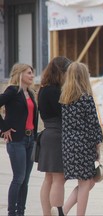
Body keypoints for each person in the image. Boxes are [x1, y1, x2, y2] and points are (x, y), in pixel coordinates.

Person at [59, 62, 103, 215]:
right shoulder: (86, 98)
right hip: (84, 145)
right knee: (86, 183)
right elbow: (93, 125)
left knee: (88, 182)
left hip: (68, 144)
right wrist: (97, 146)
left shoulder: (64, 99)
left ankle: (63, 211)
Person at [0, 63, 38, 216]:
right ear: (20, 74)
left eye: (32, 73)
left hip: (30, 140)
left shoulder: (31, 93)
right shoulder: (12, 91)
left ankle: (21, 212)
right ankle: (12, 213)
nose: (32, 76)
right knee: (19, 178)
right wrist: (3, 129)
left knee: (25, 180)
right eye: (29, 73)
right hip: (17, 141)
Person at [37, 56, 71, 216]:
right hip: (58, 135)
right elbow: (65, 114)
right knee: (59, 178)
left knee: (49, 178)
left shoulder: (43, 89)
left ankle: (47, 213)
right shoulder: (55, 91)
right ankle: (58, 211)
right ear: (61, 72)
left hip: (48, 134)